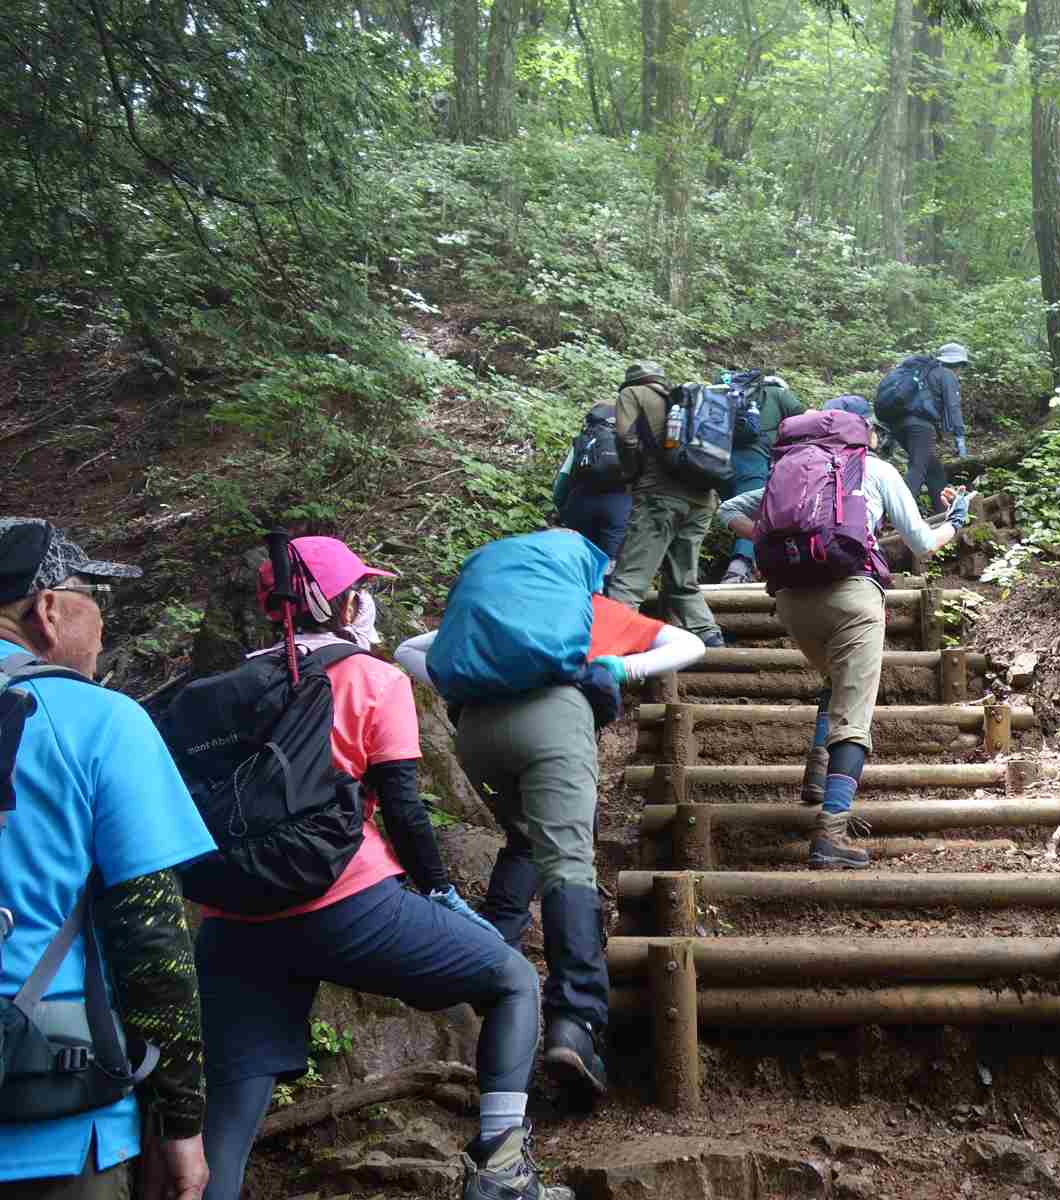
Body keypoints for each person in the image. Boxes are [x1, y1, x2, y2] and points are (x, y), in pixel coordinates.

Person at [189, 537, 566, 1200]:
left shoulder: (219, 692)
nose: (366, 600)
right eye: (359, 590)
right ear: (342, 606)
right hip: (347, 903)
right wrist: (441, 892)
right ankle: (503, 1173)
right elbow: (403, 808)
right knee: (511, 979)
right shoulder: (371, 678)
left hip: (232, 915)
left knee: (233, 1100)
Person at [395, 531, 703, 1101]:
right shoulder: (588, 610)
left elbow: (407, 650)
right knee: (568, 863)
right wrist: (618, 670)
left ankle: (491, 963)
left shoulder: (486, 620)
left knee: (525, 839)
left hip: (477, 734)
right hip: (552, 724)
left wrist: (460, 682)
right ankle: (575, 1023)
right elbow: (689, 644)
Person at [0, 518, 215, 1200]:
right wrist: (181, 1124)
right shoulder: (100, 720)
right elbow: (151, 942)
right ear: (47, 609)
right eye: (96, 597)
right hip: (54, 1117)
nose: (102, 623)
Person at [718, 397, 974, 869]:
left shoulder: (788, 470)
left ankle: (817, 778)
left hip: (791, 599)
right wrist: (956, 522)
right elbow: (921, 543)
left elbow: (728, 509)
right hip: (852, 595)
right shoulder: (876, 470)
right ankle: (831, 832)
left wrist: (774, 543)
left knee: (837, 678)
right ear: (866, 431)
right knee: (854, 716)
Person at [606, 361, 727, 648]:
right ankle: (709, 635)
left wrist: (631, 473)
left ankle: (610, 644)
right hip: (703, 498)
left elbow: (625, 437)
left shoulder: (633, 393)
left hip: (659, 496)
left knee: (631, 576)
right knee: (682, 577)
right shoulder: (683, 402)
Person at [717, 369, 804, 585]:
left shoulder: (725, 394)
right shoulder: (778, 394)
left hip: (714, 459)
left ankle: (753, 566)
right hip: (752, 462)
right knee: (755, 515)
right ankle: (739, 568)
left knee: (732, 513)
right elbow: (803, 422)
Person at [550, 390, 632, 563]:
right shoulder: (631, 439)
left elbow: (562, 482)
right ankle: (605, 580)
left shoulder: (586, 439)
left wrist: (562, 509)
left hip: (580, 503)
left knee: (576, 560)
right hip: (619, 507)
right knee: (608, 562)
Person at [889, 343, 969, 517]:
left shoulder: (924, 373)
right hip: (920, 426)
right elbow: (953, 407)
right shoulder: (947, 374)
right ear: (958, 364)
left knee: (934, 470)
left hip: (899, 425)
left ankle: (943, 513)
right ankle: (899, 514)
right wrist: (960, 438)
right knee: (918, 467)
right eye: (962, 366)